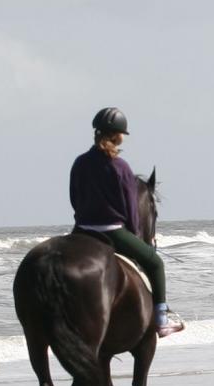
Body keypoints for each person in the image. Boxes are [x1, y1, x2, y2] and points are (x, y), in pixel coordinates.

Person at [69, 108, 185, 337]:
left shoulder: (80, 162)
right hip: (111, 231)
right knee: (155, 264)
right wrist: (133, 233)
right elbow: (131, 208)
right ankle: (161, 320)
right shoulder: (120, 167)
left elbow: (74, 197)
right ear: (118, 135)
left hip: (81, 230)